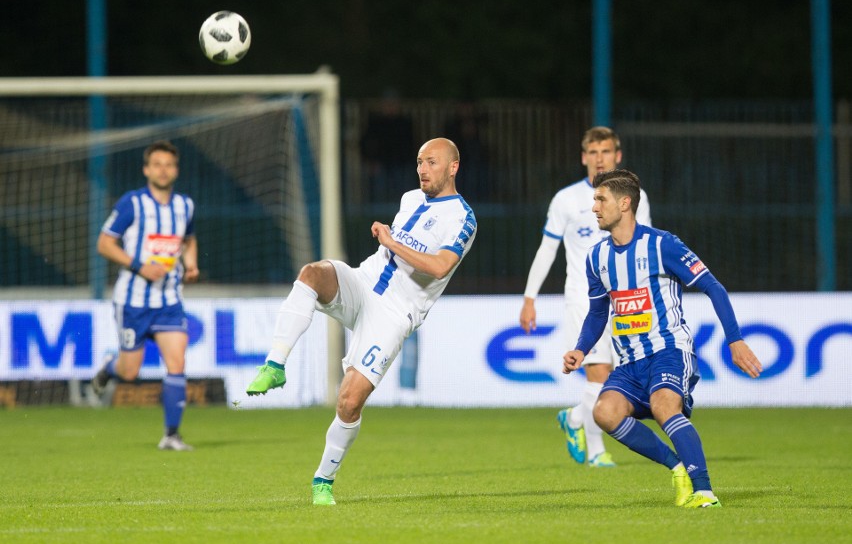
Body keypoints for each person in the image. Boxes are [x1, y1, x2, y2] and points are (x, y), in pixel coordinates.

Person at [245, 137, 477, 506]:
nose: (422, 169)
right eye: (419, 161)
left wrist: (389, 239)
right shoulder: (409, 199)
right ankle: (275, 364)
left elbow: (439, 267)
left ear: (453, 167)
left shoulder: (463, 218)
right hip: (363, 282)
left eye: (432, 162)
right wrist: (388, 241)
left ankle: (323, 480)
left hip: (394, 313)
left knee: (349, 402)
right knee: (312, 273)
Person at [563, 169, 762, 508]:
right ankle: (677, 467)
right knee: (605, 413)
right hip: (629, 361)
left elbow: (712, 286)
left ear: (625, 203)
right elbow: (599, 312)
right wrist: (581, 349)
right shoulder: (596, 257)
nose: (594, 207)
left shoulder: (662, 244)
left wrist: (735, 339)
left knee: (664, 406)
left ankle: (704, 491)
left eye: (600, 199)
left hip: (669, 350)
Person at [520, 126, 651, 468]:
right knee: (600, 374)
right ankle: (596, 452)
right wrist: (529, 297)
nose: (599, 159)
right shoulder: (566, 200)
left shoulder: (634, 197)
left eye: (605, 152)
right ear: (583, 158)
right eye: (593, 153)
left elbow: (644, 247)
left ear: (617, 156)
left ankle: (575, 418)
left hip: (624, 300)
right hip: (584, 300)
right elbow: (547, 249)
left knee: (620, 379)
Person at [90, 140, 199, 452]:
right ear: (146, 169)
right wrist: (139, 266)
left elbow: (188, 240)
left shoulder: (185, 206)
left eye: (169, 164)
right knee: (130, 371)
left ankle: (171, 435)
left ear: (176, 170)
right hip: (133, 301)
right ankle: (109, 368)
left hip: (168, 301)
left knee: (177, 363)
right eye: (158, 164)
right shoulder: (132, 203)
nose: (163, 170)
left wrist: (191, 264)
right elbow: (105, 243)